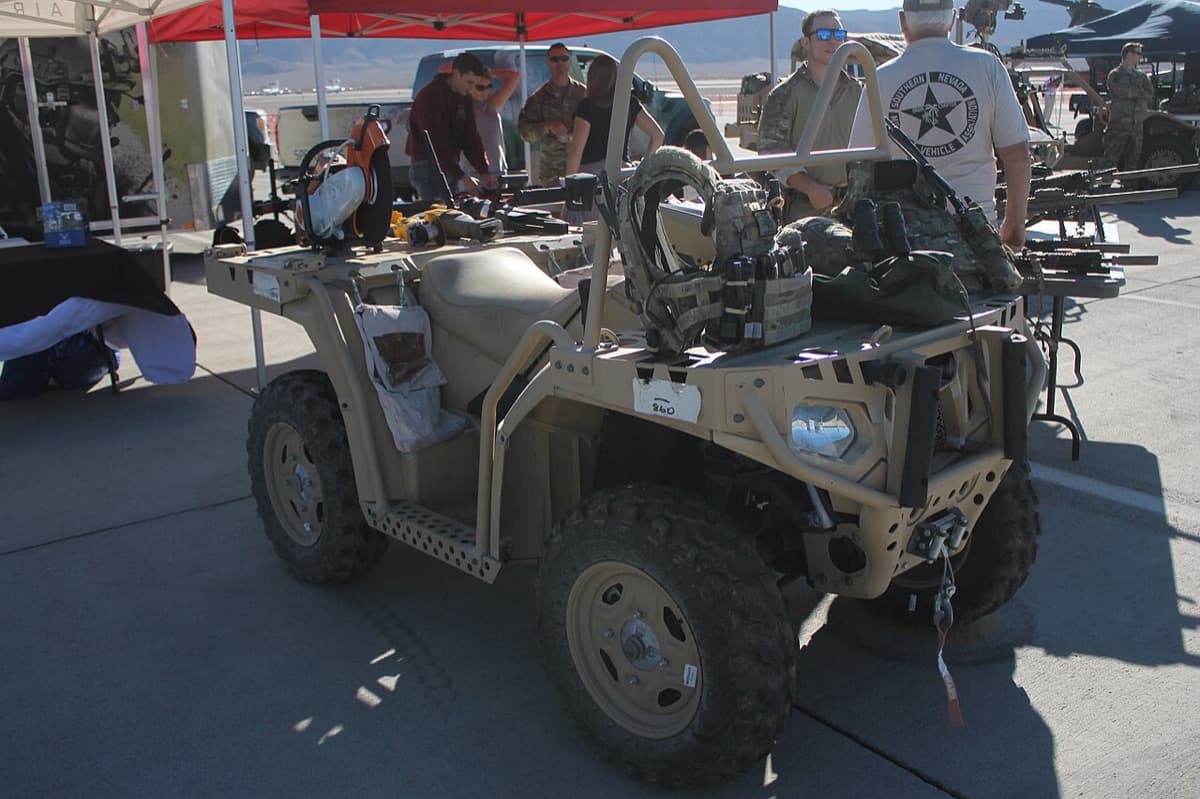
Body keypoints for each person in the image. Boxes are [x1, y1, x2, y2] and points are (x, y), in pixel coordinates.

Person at [848, 0, 1030, 248]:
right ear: (953, 19)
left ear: (903, 22)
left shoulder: (880, 77)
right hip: (976, 232)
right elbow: (1017, 154)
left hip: (906, 236)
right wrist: (1015, 225)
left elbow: (858, 163)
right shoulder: (987, 66)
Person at [757, 10, 863, 223]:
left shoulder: (857, 91)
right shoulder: (785, 94)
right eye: (824, 34)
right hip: (806, 205)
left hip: (855, 203)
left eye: (838, 34)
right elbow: (771, 150)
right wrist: (812, 189)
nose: (832, 41)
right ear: (806, 42)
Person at [563, 55, 664, 222]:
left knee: (590, 236)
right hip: (621, 176)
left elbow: (575, 151)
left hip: (592, 181)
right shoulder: (630, 103)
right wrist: (643, 169)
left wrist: (569, 189)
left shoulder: (587, 107)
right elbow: (658, 135)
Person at [406, 52, 497, 201]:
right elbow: (435, 143)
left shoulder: (463, 98)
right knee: (435, 213)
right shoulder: (430, 97)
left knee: (453, 212)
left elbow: (471, 137)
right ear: (456, 73)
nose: (472, 88)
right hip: (427, 165)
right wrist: (462, 176)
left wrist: (483, 171)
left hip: (449, 165)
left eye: (475, 84)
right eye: (469, 82)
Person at [517, 43, 586, 185]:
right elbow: (524, 132)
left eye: (564, 58)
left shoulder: (583, 94)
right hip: (552, 172)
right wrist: (548, 126)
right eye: (555, 59)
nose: (560, 63)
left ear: (570, 61)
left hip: (583, 166)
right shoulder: (538, 98)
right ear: (548, 62)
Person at [444, 60, 521, 178]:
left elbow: (514, 77)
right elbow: (443, 70)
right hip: (472, 173)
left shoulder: (493, 103)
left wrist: (489, 72)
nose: (486, 91)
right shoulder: (461, 104)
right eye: (480, 87)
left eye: (489, 86)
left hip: (497, 171)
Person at [1101, 42, 1155, 171]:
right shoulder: (1116, 74)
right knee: (1110, 160)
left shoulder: (1141, 77)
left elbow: (1149, 94)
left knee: (1133, 161)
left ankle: (1129, 187)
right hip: (1118, 126)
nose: (1140, 56)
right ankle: (1103, 187)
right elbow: (1121, 91)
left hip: (1136, 126)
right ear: (1129, 54)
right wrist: (1138, 93)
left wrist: (1134, 93)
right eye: (1137, 53)